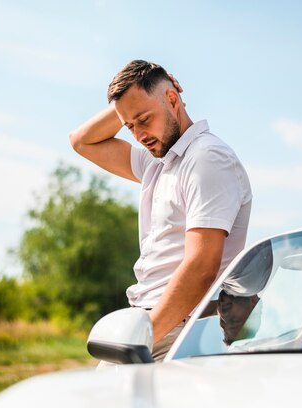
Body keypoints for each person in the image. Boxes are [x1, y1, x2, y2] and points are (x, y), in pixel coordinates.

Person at [69, 60, 252, 361]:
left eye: (143, 119)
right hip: (151, 325)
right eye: (130, 126)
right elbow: (81, 141)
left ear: (172, 100)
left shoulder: (207, 158)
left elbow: (201, 266)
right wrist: (127, 106)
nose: (139, 135)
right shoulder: (158, 163)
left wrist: (143, 338)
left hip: (177, 331)